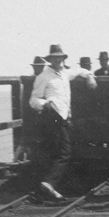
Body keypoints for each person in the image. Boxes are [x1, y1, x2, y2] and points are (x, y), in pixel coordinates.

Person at [29, 44, 75, 203]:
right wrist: (47, 104)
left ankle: (49, 189)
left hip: (63, 118)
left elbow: (80, 71)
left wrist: (89, 76)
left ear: (63, 59)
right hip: (51, 117)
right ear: (50, 59)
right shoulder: (43, 76)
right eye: (54, 57)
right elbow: (33, 100)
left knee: (58, 152)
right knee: (64, 152)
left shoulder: (64, 74)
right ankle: (48, 184)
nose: (57, 60)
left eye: (60, 57)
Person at [14, 57, 48, 162]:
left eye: (41, 67)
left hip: (39, 113)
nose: (39, 69)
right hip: (30, 113)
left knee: (36, 138)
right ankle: (16, 160)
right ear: (34, 67)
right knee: (26, 138)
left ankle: (33, 159)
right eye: (37, 67)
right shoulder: (30, 80)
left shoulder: (37, 80)